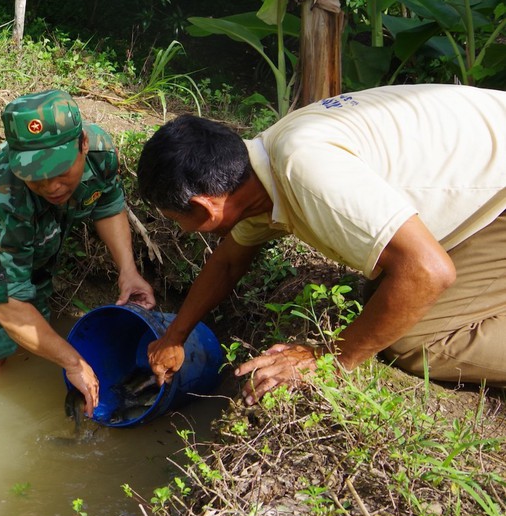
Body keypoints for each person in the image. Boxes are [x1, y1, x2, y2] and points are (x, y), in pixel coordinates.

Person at [135, 84, 506, 404]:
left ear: (204, 206)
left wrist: (327, 358)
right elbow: (229, 262)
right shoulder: (259, 173)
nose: (182, 232)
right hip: (487, 171)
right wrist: (174, 337)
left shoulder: (307, 171)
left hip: (498, 193)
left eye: (176, 220)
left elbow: (429, 270)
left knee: (413, 343)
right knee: (386, 292)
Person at [0, 89, 156, 416]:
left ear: (82, 144)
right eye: (36, 175)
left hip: (31, 228)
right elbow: (8, 307)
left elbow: (107, 204)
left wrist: (128, 270)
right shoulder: (4, 199)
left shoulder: (100, 151)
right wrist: (73, 362)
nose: (52, 186)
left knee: (36, 306)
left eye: (61, 170)